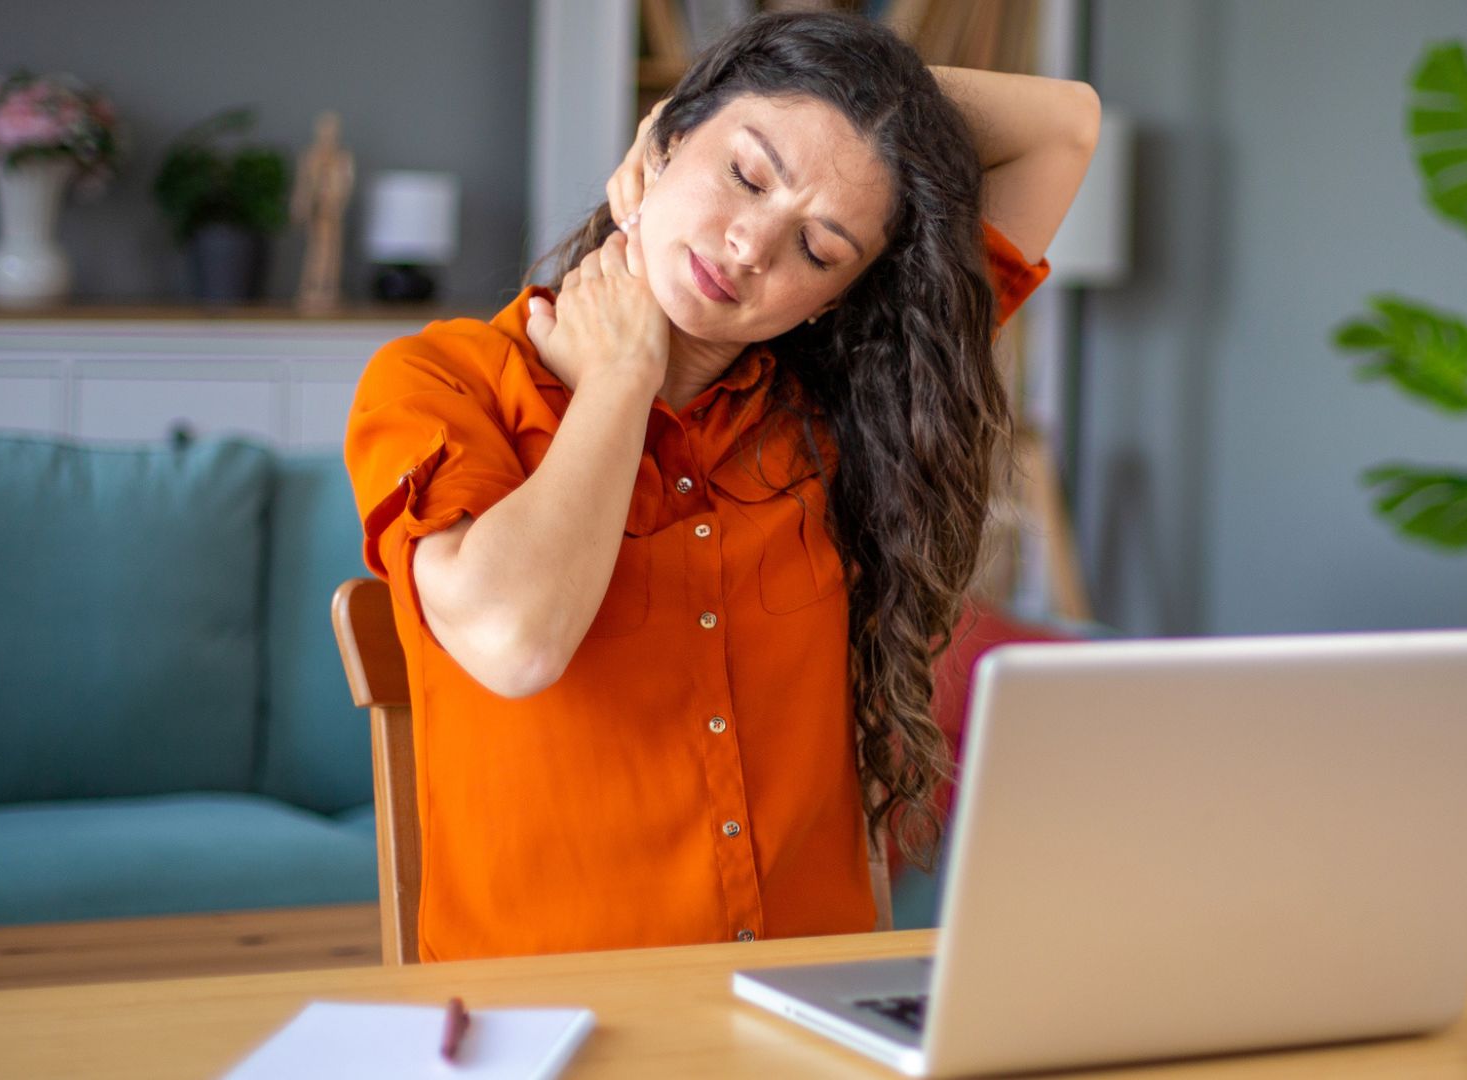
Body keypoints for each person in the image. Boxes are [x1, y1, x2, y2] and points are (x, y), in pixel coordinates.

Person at [344, 10, 1098, 962]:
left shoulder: (843, 411)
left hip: (815, 1007)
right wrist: (623, 376)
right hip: (556, 1021)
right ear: (657, 147)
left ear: (836, 297)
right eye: (745, 172)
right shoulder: (442, 382)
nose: (750, 247)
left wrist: (832, 110)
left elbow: (1063, 124)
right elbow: (514, 644)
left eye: (819, 249)